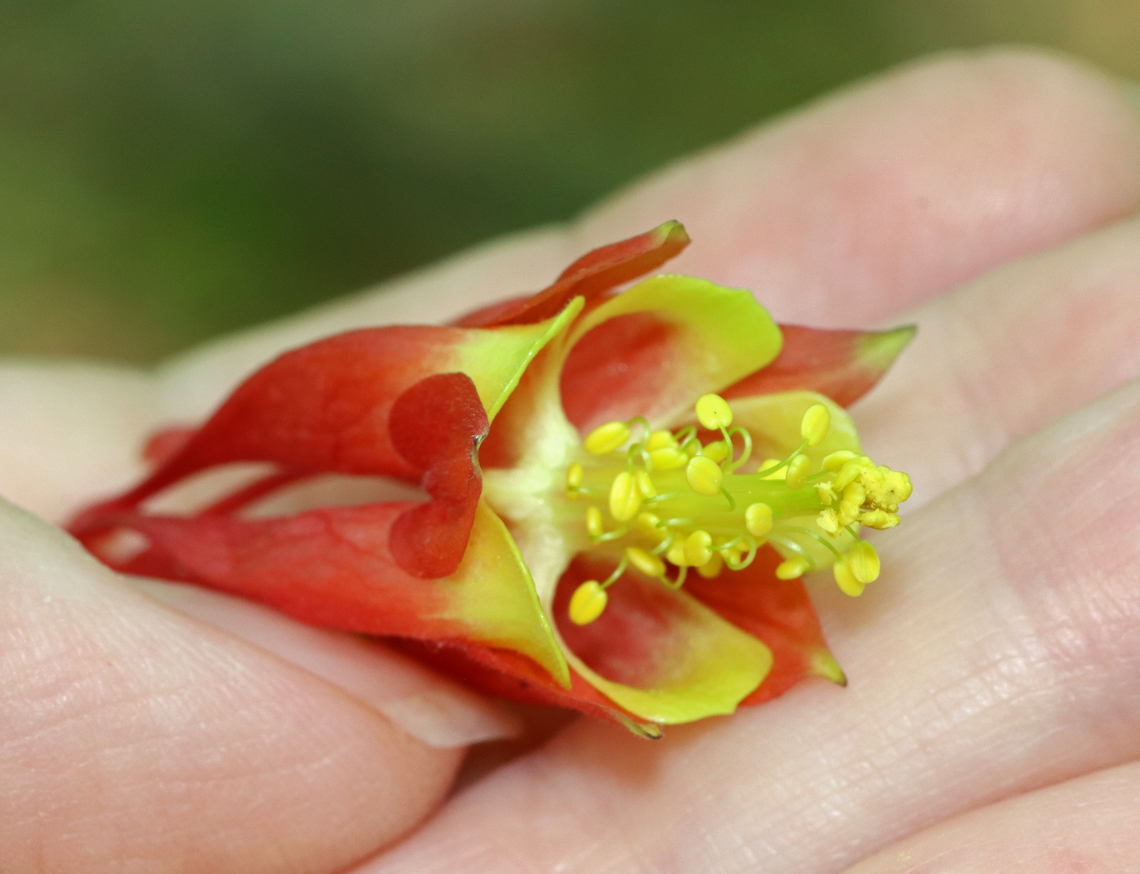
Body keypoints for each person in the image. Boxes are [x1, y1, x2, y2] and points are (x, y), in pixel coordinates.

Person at [3, 47, 1140, 873]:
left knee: (168, 514)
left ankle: (148, 505)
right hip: (484, 400)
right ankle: (152, 497)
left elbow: (785, 634)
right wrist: (141, 518)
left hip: (503, 558)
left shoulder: (667, 616)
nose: (747, 491)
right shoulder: (541, 375)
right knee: (174, 496)